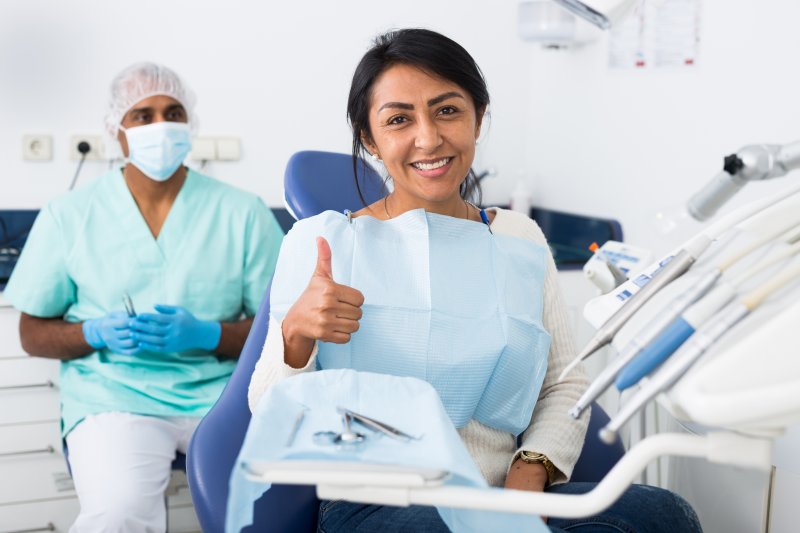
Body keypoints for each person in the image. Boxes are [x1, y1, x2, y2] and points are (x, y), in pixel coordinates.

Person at [247, 29, 701, 532]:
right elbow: (267, 410)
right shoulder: (320, 243)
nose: (428, 137)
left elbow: (564, 382)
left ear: (478, 117)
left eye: (447, 110)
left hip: (502, 492)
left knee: (666, 515)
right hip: (380, 505)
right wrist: (296, 336)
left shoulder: (520, 238)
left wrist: (530, 474)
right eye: (399, 119)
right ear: (369, 138)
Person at [3, 62, 284, 533]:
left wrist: (211, 334)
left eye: (173, 112)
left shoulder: (242, 213)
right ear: (117, 131)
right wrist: (92, 333)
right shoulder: (69, 215)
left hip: (223, 396)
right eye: (143, 115)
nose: (161, 126)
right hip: (115, 397)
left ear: (189, 124)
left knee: (271, 508)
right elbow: (31, 332)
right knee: (117, 513)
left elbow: (278, 330)